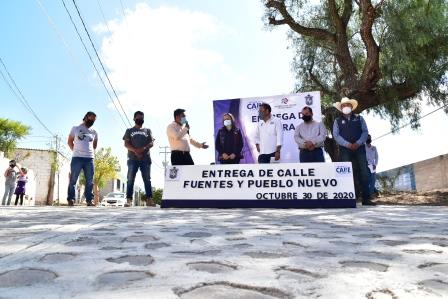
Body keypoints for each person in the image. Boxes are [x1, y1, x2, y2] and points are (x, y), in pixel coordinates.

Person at [333, 97, 375, 206]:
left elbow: (365, 132)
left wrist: (358, 142)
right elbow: (336, 135)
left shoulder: (359, 118)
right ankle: (348, 199)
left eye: (347, 105)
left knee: (364, 172)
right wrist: (347, 144)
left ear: (351, 106)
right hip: (345, 150)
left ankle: (366, 199)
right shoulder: (337, 121)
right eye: (343, 105)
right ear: (341, 108)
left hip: (360, 148)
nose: (345, 107)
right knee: (346, 173)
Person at [123, 111, 155, 207]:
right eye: (138, 117)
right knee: (130, 179)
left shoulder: (148, 130)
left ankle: (149, 199)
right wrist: (136, 151)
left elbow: (151, 143)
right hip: (132, 159)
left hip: (145, 159)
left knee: (147, 179)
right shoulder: (129, 130)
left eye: (142, 118)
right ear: (134, 119)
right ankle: (128, 200)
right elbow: (126, 144)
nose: (140, 119)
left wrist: (143, 149)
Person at [67, 111, 98, 207]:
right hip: (77, 158)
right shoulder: (75, 129)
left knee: (90, 180)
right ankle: (71, 199)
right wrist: (75, 151)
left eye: (93, 120)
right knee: (73, 179)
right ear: (86, 117)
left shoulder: (94, 132)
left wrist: (91, 153)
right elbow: (69, 141)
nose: (92, 121)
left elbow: (94, 145)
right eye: (90, 119)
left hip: (89, 159)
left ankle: (89, 200)